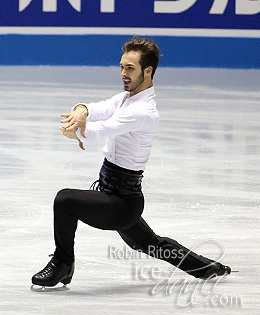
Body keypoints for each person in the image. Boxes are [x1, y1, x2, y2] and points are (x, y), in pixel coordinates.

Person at [31, 36, 232, 288]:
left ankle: (63, 264)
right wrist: (82, 109)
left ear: (148, 71)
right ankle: (207, 268)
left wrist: (78, 129)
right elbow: (101, 108)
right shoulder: (126, 98)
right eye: (122, 67)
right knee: (151, 244)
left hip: (122, 201)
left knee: (65, 200)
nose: (123, 74)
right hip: (112, 192)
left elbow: (104, 128)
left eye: (130, 68)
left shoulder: (143, 111)